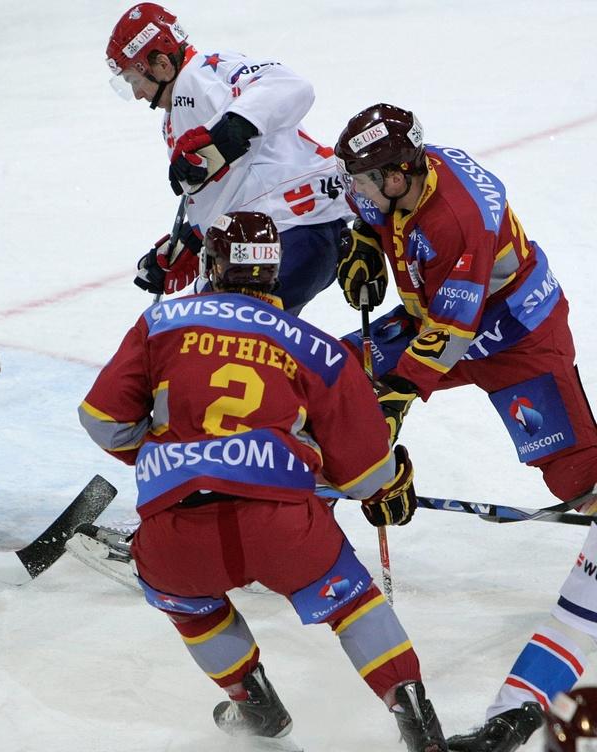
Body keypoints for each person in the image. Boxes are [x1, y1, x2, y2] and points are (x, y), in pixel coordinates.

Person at [78, 210, 448, 751]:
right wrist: (389, 484)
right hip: (284, 529)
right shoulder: (316, 346)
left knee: (183, 598)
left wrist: (169, 457)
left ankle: (252, 703)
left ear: (209, 264)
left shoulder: (159, 324)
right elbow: (366, 472)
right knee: (352, 603)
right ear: (273, 273)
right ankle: (417, 719)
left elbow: (102, 420)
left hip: (176, 530)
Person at [333, 103, 597, 752]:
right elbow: (369, 220)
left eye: (368, 181)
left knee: (583, 480)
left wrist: (395, 396)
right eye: (359, 182)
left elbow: (454, 333)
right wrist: (364, 249)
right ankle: (271, 509)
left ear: (400, 172)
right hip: (442, 323)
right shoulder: (396, 179)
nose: (361, 192)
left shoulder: (456, 218)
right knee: (333, 384)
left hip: (514, 338)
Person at [105, 3, 351, 313]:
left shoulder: (206, 72)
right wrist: (188, 243)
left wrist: (228, 133)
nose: (138, 95)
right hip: (275, 240)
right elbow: (226, 191)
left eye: (135, 82)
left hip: (295, 229)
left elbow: (291, 86)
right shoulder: (172, 118)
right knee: (215, 337)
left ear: (162, 64)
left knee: (203, 336)